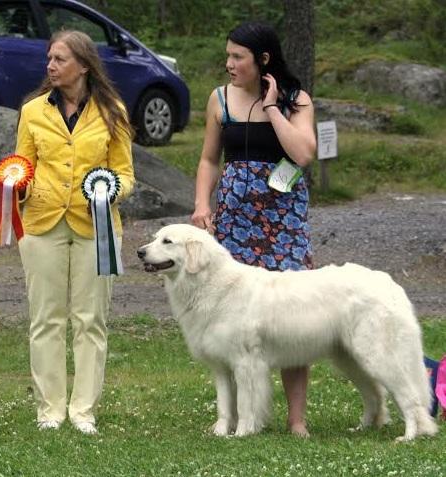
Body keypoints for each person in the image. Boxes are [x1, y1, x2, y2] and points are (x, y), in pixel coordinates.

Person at [191, 21, 317, 437]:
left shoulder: (296, 100)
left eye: (237, 57)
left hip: (283, 224)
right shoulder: (218, 100)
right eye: (227, 55)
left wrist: (271, 107)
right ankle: (234, 414)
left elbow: (303, 154)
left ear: (263, 60)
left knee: (292, 318)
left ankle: (296, 418)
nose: (228, 64)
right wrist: (202, 204)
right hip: (234, 222)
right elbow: (210, 160)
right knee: (231, 319)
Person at [15, 30, 135, 435]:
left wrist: (110, 193)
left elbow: (125, 174)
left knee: (90, 321)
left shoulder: (112, 111)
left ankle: (83, 410)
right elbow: (23, 164)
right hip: (42, 224)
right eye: (49, 58)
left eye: (60, 59)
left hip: (95, 227)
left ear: (83, 65)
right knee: (46, 319)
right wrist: (18, 185)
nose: (51, 66)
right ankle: (49, 410)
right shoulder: (32, 111)